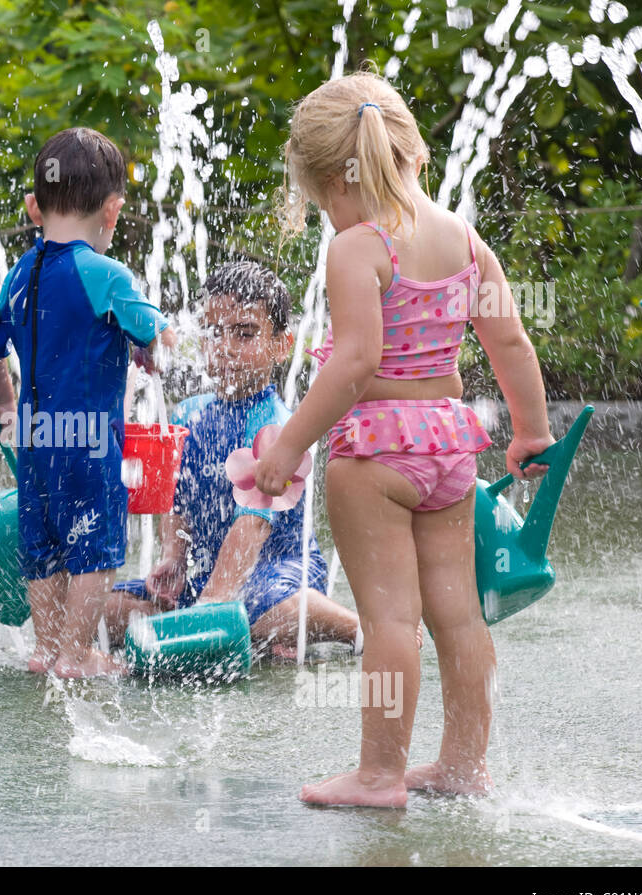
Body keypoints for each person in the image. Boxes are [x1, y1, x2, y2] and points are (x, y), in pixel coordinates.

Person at [254, 71, 554, 807]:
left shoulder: (359, 248)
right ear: (411, 153)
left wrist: (288, 446)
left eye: (322, 203)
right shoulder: (461, 238)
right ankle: (462, 766)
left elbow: (356, 363)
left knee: (390, 619)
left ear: (334, 181)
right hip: (450, 447)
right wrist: (530, 432)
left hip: (376, 455)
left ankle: (380, 773)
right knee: (457, 613)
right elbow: (510, 341)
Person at [0, 127, 169, 679]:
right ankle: (78, 655)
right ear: (112, 211)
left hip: (37, 441)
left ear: (35, 207)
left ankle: (46, 649)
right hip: (88, 442)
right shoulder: (104, 273)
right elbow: (156, 333)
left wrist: (8, 408)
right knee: (96, 545)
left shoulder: (20, 274)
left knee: (45, 542)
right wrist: (154, 350)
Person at [104, 261, 359, 659]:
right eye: (214, 332)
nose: (224, 347)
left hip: (279, 572)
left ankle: (357, 629)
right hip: (205, 573)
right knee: (101, 612)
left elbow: (252, 527)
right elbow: (177, 495)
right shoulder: (189, 415)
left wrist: (213, 602)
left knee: (266, 613)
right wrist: (174, 555)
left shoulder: (278, 431)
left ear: (280, 344)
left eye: (244, 334)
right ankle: (225, 620)